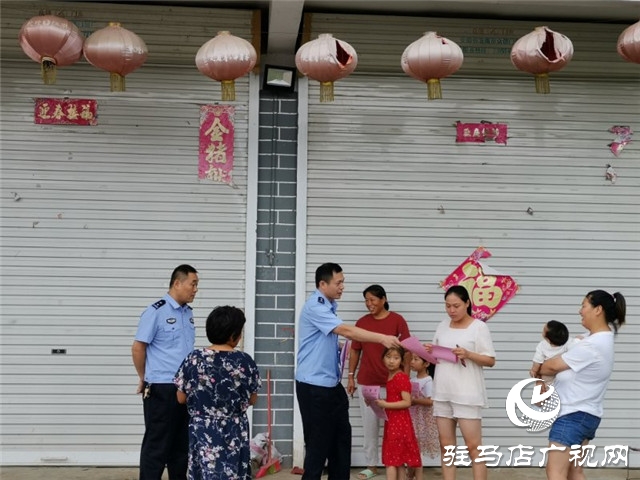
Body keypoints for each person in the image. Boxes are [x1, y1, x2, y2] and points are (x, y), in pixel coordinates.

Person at [295, 262, 402, 480]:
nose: (343, 287)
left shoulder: (328, 307)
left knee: (341, 439)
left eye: (343, 282)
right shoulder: (315, 305)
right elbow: (345, 330)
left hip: (331, 386)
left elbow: (325, 339)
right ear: (323, 284)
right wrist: (382, 338)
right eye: (339, 282)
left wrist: (340, 347)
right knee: (318, 445)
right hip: (314, 386)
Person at [539, 290, 626, 480]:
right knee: (574, 471)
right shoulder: (599, 338)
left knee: (555, 472)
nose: (580, 311)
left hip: (572, 416)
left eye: (584, 305)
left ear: (598, 310)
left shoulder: (593, 344)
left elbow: (551, 366)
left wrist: (541, 366)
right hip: (586, 415)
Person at [174, 305, 261, 480]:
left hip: (202, 430)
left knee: (203, 472)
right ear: (233, 335)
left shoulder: (193, 359)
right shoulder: (245, 362)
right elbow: (253, 399)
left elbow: (180, 398)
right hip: (234, 430)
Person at [132, 264, 199, 480]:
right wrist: (143, 378)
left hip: (185, 389)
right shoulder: (156, 312)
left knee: (181, 446)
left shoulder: (188, 313)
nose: (196, 289)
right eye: (193, 284)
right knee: (157, 445)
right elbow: (138, 347)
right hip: (161, 388)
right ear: (177, 283)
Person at [425, 285, 496, 480]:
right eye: (447, 306)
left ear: (467, 303)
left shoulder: (479, 327)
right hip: (443, 391)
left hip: (467, 394)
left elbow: (490, 360)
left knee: (473, 447)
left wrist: (468, 354)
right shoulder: (442, 325)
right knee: (446, 447)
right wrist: (430, 351)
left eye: (456, 305)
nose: (451, 310)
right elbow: (436, 358)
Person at [346, 284, 412, 480]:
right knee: (370, 425)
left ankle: (399, 463)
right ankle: (372, 465)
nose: (369, 304)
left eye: (373, 299)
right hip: (368, 382)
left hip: (393, 383)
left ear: (383, 299)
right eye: (366, 300)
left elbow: (407, 350)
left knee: (397, 427)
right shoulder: (361, 322)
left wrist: (405, 378)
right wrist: (350, 376)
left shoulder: (397, 320)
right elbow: (355, 350)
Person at [375, 346, 422, 480]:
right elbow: (395, 398)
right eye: (388, 357)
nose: (391, 361)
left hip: (399, 422)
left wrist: (386, 404)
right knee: (398, 459)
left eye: (396, 358)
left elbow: (407, 402)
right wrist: (379, 402)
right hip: (393, 420)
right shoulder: (391, 376)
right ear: (383, 359)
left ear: (402, 360)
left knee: (391, 460)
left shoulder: (401, 377)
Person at [407, 353, 439, 479]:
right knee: (411, 448)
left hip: (421, 420)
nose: (412, 362)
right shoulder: (412, 380)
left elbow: (431, 401)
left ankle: (418, 476)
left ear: (426, 364)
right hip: (412, 417)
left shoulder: (428, 381)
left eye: (416, 359)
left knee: (416, 450)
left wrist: (414, 401)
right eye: (412, 359)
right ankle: (409, 475)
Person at [530, 320, 570, 384]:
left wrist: (534, 370)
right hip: (562, 370)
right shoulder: (569, 342)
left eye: (543, 330)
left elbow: (537, 360)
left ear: (547, 338)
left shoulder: (542, 345)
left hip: (548, 375)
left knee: (547, 385)